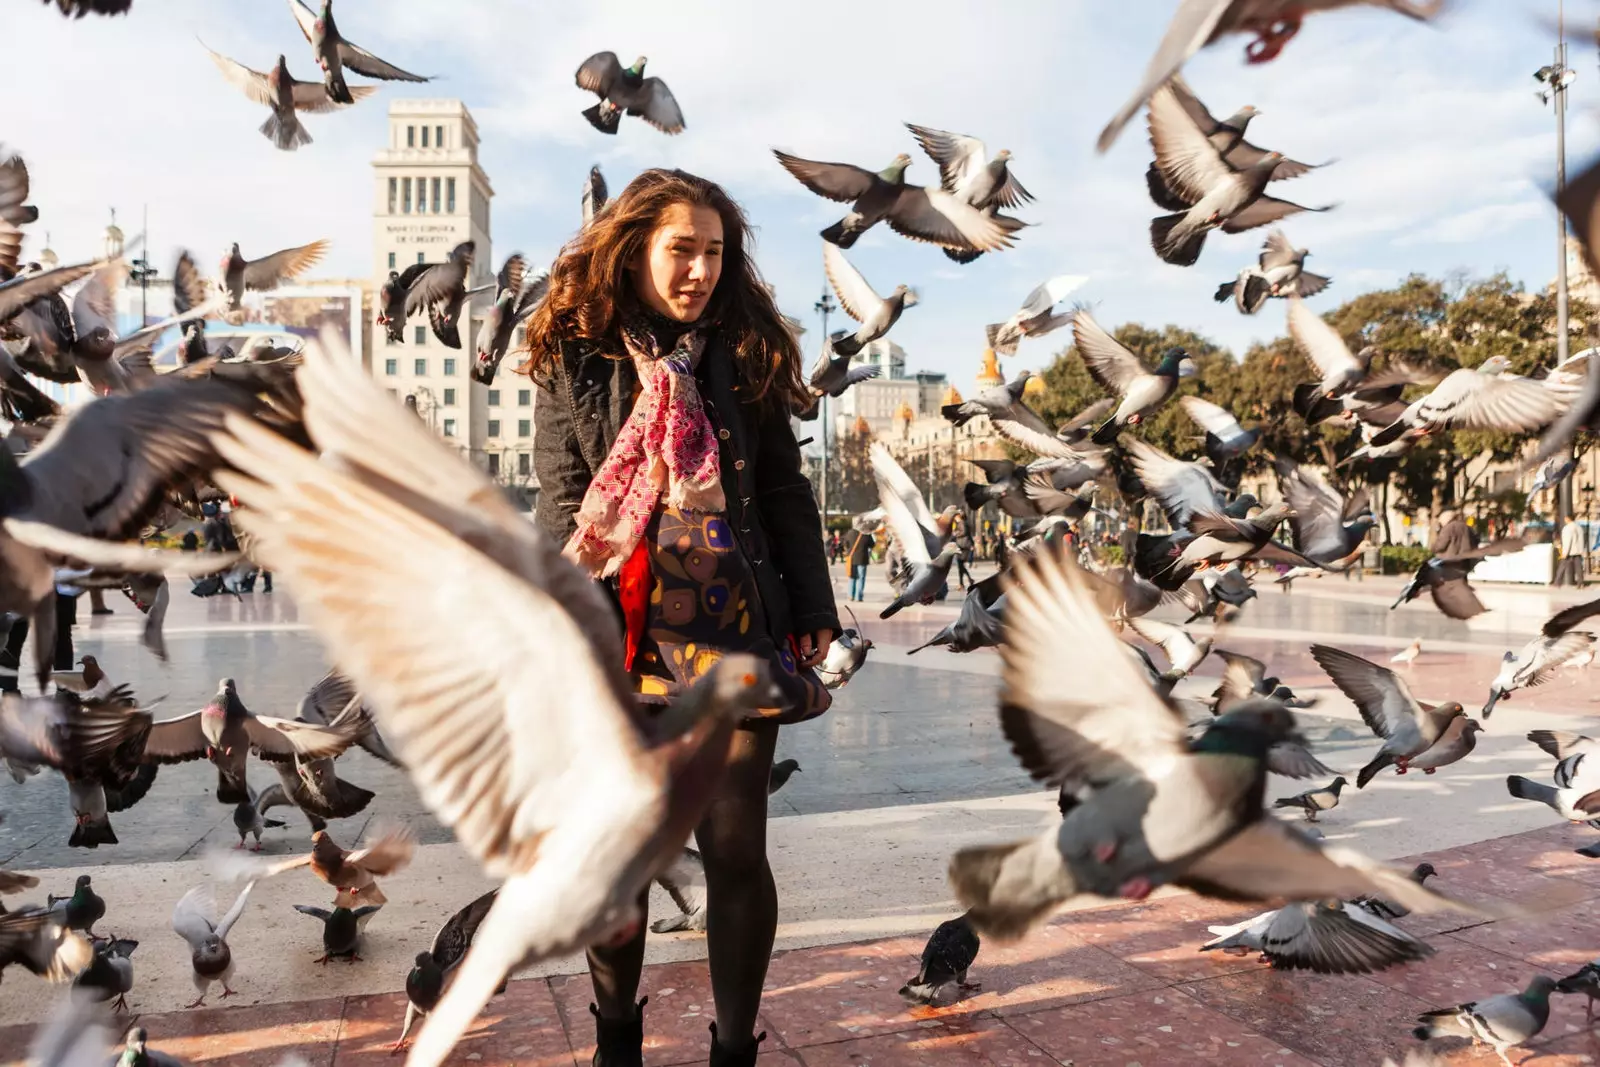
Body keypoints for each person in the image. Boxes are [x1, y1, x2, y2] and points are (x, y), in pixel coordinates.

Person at [526, 168, 838, 1067]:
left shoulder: (745, 352)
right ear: (636, 251)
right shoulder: (576, 352)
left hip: (736, 626)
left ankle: (733, 1047)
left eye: (714, 251)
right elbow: (560, 504)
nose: (700, 268)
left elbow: (782, 484)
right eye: (681, 250)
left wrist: (813, 602)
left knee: (736, 848)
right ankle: (616, 1038)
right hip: (621, 634)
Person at [846, 523, 874, 602]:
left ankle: (851, 595)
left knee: (852, 577)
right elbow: (872, 544)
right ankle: (859, 597)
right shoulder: (866, 534)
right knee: (861, 578)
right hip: (862, 559)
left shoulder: (850, 533)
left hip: (852, 559)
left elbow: (845, 543)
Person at [1558, 515, 1586, 588]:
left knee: (1562, 567)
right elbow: (1582, 540)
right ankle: (1581, 583)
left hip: (1570, 552)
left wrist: (1565, 553)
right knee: (1579, 568)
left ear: (1567, 519)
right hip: (1578, 551)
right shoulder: (1579, 527)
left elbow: (1568, 541)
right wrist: (1581, 550)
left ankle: (1557, 583)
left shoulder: (1567, 528)